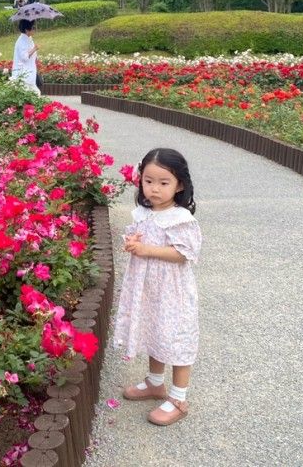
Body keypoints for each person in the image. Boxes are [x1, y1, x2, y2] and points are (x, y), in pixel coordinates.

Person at [113, 148, 201, 426]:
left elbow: (184, 253)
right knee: (154, 330)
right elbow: (136, 238)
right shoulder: (143, 212)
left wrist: (147, 249)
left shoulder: (180, 218)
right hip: (147, 286)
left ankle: (178, 398)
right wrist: (132, 241)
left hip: (171, 290)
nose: (155, 189)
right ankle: (154, 383)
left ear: (180, 185)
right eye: (148, 181)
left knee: (176, 337)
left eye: (164, 183)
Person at [10, 19, 40, 95]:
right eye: (33, 28)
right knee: (34, 93)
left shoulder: (28, 38)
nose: (35, 29)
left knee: (33, 94)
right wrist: (34, 49)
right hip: (23, 73)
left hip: (29, 71)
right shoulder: (21, 41)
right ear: (27, 30)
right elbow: (24, 57)